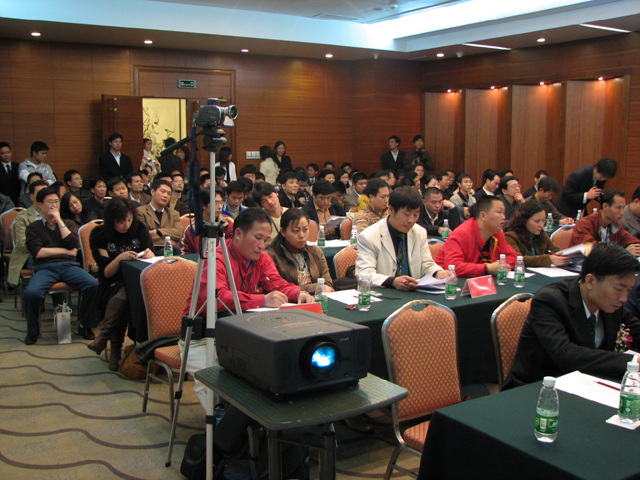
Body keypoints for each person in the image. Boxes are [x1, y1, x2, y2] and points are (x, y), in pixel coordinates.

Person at [180, 208, 314, 406]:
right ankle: (221, 419)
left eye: (266, 240)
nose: (262, 246)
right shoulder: (216, 258)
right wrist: (262, 300)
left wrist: (297, 293)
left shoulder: (261, 258)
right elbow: (216, 298)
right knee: (217, 382)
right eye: (258, 238)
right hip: (203, 337)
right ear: (238, 233)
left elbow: (276, 283)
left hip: (242, 334)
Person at [505, 243, 640, 388]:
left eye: (628, 290)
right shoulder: (550, 301)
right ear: (590, 281)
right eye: (619, 289)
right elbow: (566, 355)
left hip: (589, 383)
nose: (624, 298)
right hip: (541, 387)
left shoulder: (610, 303)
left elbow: (636, 329)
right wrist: (633, 361)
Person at [23, 187, 99, 344]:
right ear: (39, 205)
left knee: (92, 284)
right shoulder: (33, 228)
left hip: (69, 266)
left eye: (56, 202)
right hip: (45, 268)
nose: (54, 205)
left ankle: (85, 325)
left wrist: (58, 220)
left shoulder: (68, 223)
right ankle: (33, 332)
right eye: (50, 202)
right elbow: (38, 252)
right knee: (31, 292)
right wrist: (65, 251)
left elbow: (73, 244)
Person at [88, 198, 154, 369]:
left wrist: (149, 255)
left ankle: (106, 338)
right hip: (112, 283)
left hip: (138, 280)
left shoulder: (139, 229)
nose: (126, 225)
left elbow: (151, 258)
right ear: (112, 220)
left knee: (127, 292)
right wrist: (120, 258)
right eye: (121, 221)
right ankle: (114, 346)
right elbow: (106, 272)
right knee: (124, 294)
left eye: (129, 220)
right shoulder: (100, 234)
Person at [356, 186, 447, 290]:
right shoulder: (369, 236)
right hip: (382, 293)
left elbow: (427, 264)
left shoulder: (419, 232)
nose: (411, 220)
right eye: (406, 214)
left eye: (415, 215)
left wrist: (438, 273)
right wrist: (392, 281)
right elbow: (364, 274)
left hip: (413, 292)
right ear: (391, 210)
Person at [434, 196, 518, 277]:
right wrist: (487, 268)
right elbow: (452, 266)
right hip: (447, 282)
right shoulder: (461, 234)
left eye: (504, 213)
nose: (504, 217)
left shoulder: (497, 233)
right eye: (499, 212)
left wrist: (500, 266)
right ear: (483, 215)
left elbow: (513, 257)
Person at [267, 208, 333, 294]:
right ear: (283, 232)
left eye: (305, 229)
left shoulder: (316, 252)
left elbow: (328, 284)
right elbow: (279, 288)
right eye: (296, 231)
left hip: (317, 298)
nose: (301, 235)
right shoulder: (271, 257)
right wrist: (313, 287)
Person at [570, 189, 640, 255]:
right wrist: (624, 252)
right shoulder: (585, 224)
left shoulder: (616, 225)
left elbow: (630, 240)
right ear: (605, 206)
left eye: (623, 207)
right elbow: (593, 251)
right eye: (618, 208)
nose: (622, 212)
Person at [504, 201, 571, 268]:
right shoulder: (511, 236)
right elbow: (517, 259)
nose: (541, 225)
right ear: (524, 220)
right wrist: (549, 259)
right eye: (537, 221)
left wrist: (567, 256)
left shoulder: (541, 233)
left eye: (543, 220)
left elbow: (555, 249)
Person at [7, 180, 47, 287]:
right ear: (32, 197)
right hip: (30, 254)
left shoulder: (55, 215)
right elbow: (23, 244)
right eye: (40, 193)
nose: (44, 197)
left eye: (46, 193)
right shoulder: (22, 217)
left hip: (53, 254)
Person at [181, 188, 233, 254]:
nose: (220, 207)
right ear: (203, 205)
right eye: (215, 203)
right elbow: (185, 254)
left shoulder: (229, 224)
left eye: (221, 202)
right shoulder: (192, 229)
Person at [136, 179, 183, 247]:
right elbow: (144, 236)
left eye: (169, 194)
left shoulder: (174, 214)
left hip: (170, 250)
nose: (166, 196)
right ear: (152, 192)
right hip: (148, 249)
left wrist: (158, 232)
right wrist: (169, 242)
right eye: (163, 191)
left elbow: (179, 233)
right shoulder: (140, 211)